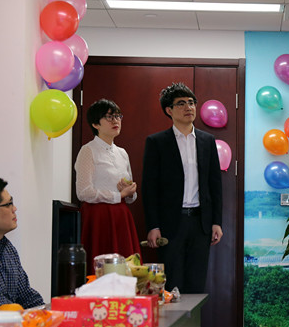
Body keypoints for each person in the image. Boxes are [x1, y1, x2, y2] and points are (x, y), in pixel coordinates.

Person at [142, 82, 223, 295]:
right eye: (181, 103)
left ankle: (193, 320)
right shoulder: (157, 142)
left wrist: (216, 222)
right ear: (169, 110)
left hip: (201, 223)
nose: (188, 107)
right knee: (171, 283)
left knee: (196, 283)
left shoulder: (207, 141)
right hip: (170, 224)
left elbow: (215, 185)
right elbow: (149, 187)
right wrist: (153, 225)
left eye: (191, 102)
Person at [75, 99, 141, 275]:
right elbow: (83, 192)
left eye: (118, 116)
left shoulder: (122, 153)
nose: (116, 120)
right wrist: (118, 195)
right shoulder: (88, 150)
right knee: (101, 269)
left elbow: (130, 195)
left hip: (121, 216)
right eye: (109, 117)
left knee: (126, 268)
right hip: (98, 216)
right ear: (95, 124)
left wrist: (129, 192)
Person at [0, 175, 44, 312]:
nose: (14, 208)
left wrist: (46, 313)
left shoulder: (6, 246)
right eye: (8, 204)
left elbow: (26, 295)